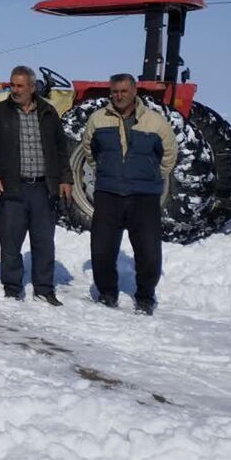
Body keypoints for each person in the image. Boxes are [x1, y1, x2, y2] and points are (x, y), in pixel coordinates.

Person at [82, 73, 177, 315]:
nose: (118, 96)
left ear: (134, 92)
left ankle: (145, 297)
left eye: (124, 91)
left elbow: (169, 154)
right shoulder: (97, 119)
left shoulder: (155, 122)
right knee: (102, 249)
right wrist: (107, 172)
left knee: (148, 251)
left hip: (143, 196)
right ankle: (107, 293)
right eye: (114, 91)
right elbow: (89, 151)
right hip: (108, 194)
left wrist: (152, 177)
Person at [0, 65, 74, 305]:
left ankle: (44, 288)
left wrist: (65, 178)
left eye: (20, 86)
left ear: (32, 87)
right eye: (12, 85)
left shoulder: (48, 113)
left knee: (43, 241)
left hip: (43, 189)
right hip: (12, 187)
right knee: (11, 241)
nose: (15, 90)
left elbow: (61, 149)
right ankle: (12, 287)